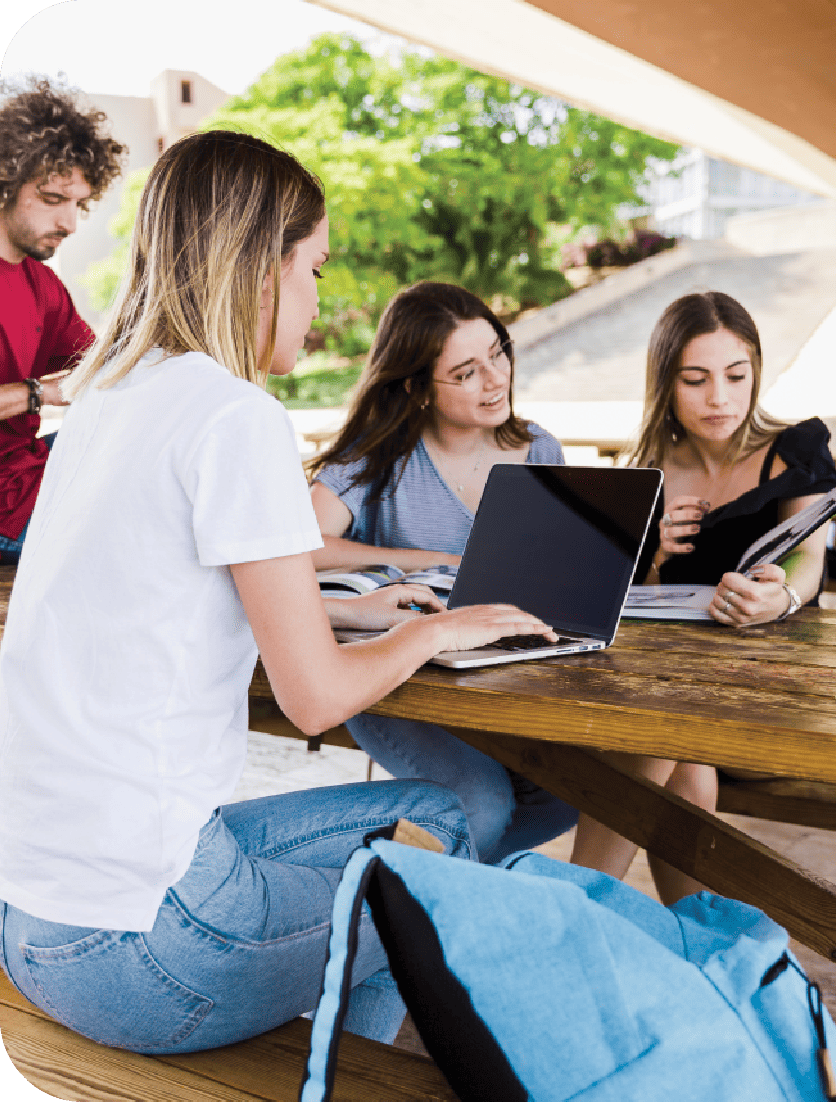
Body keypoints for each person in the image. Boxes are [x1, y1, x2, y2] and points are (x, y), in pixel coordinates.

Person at [0, 131, 558, 1055]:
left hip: (30, 921)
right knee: (439, 856)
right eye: (316, 270)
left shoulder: (106, 396)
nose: (319, 300)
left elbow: (158, 591)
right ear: (263, 269)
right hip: (141, 953)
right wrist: (433, 631)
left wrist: (352, 608)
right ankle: (352, 1072)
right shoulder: (236, 414)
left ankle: (344, 1059)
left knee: (429, 817)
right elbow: (316, 699)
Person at [571, 290, 836, 904]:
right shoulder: (648, 469)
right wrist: (654, 556)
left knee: (657, 731)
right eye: (696, 379)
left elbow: (810, 558)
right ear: (665, 383)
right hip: (680, 687)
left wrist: (782, 598)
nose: (719, 397)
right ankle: (695, 931)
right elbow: (632, 606)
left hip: (778, 683)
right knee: (675, 746)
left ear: (756, 373)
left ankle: (576, 907)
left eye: (735, 376)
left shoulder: (795, 451)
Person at [307, 282, 577, 862]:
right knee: (480, 803)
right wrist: (426, 561)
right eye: (466, 372)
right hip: (394, 676)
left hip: (504, 672)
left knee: (570, 793)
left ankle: (420, 876)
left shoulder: (539, 451)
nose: (496, 379)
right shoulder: (377, 457)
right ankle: (408, 892)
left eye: (498, 354)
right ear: (416, 387)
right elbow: (300, 549)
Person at [0, 77, 126, 563]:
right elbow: (52, 390)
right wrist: (37, 393)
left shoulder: (42, 284)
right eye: (54, 200)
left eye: (78, 204)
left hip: (30, 474)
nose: (70, 224)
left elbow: (102, 365)